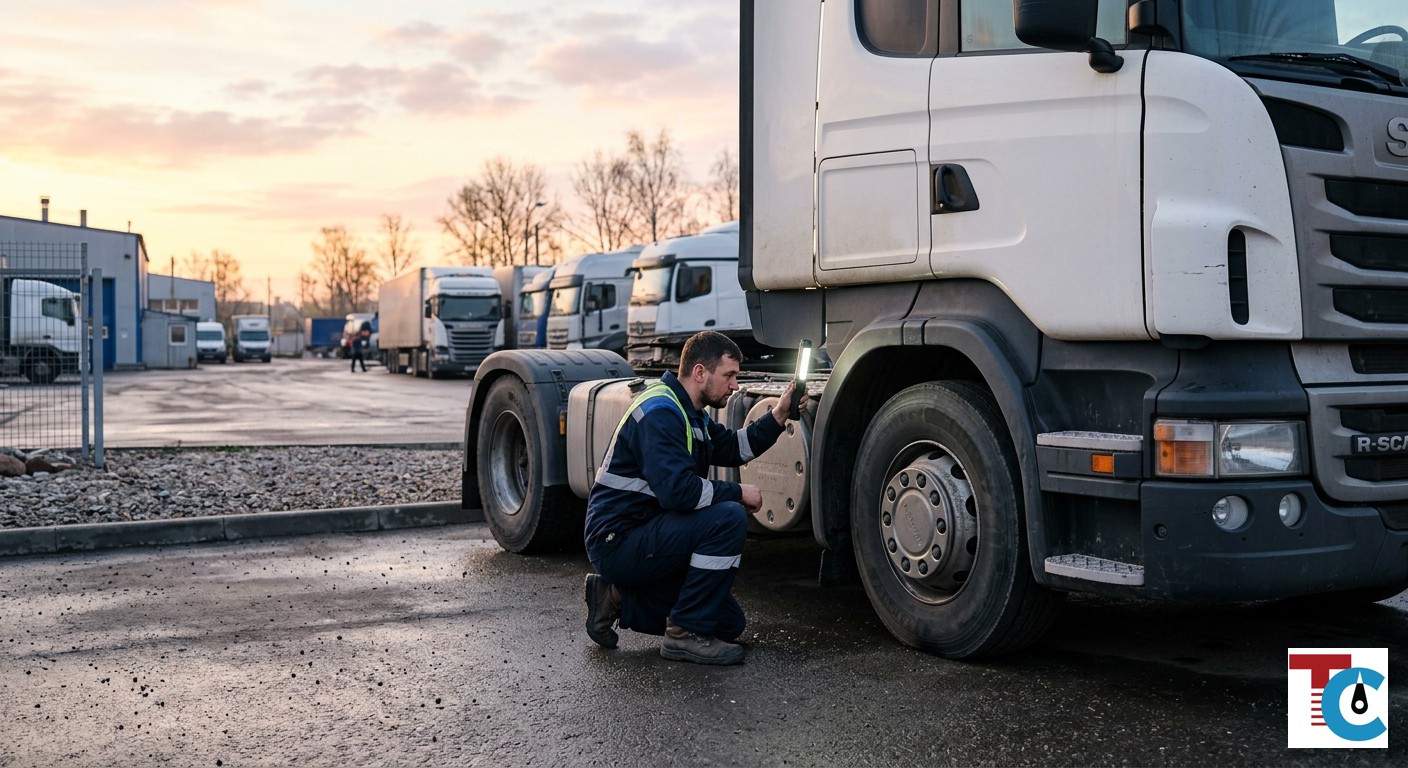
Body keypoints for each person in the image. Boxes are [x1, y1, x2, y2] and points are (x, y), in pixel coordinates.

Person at [582, 331, 797, 665]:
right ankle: (683, 635)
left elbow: (734, 447)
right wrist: (739, 493)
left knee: (728, 624)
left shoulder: (690, 412)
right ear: (700, 373)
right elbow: (679, 493)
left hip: (648, 531)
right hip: (618, 541)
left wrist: (779, 415)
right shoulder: (661, 413)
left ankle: (614, 596)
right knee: (728, 518)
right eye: (729, 375)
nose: (735, 385)